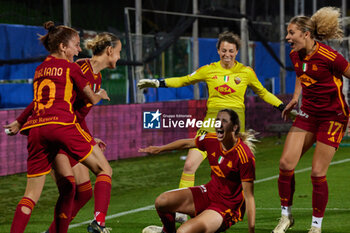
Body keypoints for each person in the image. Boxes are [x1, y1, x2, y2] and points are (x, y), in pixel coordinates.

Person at [138, 31, 284, 222]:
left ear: (237, 52)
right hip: (210, 127)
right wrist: (159, 82)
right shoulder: (208, 70)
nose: (227, 54)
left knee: (236, 176)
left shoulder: (246, 72)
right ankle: (181, 211)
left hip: (234, 133)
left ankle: (235, 210)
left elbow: (263, 93)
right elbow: (184, 80)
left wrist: (282, 106)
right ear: (218, 50)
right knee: (189, 165)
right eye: (223, 50)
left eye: (231, 51)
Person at [4, 32, 122, 233]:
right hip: (63, 129)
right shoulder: (78, 67)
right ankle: (98, 223)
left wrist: (20, 122)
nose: (78, 50)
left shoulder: (90, 75)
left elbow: (50, 100)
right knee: (97, 175)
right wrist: (99, 96)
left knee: (76, 192)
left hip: (45, 129)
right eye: (119, 52)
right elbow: (70, 104)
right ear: (110, 51)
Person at [272, 7, 350, 233]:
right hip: (308, 115)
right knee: (285, 164)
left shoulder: (330, 57)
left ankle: (316, 227)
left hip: (333, 118)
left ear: (306, 34)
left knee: (317, 172)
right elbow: (300, 74)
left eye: (291, 32)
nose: (287, 37)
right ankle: (286, 217)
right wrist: (296, 97)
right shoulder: (294, 54)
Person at [139, 109, 256, 233]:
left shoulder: (244, 156)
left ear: (234, 127)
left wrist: (251, 231)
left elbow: (249, 198)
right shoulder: (211, 140)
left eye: (224, 121)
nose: (219, 124)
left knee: (184, 231)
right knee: (162, 202)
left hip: (227, 207)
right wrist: (160, 149)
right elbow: (187, 144)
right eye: (217, 120)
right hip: (209, 193)